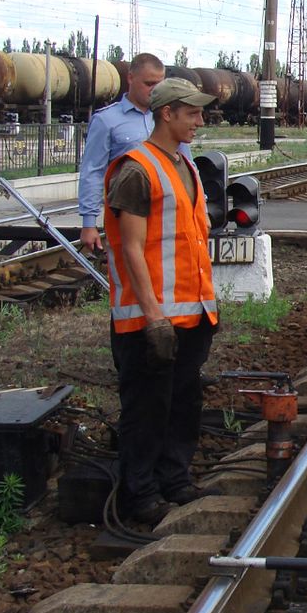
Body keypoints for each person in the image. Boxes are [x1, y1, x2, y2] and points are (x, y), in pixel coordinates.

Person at [104, 78, 219, 525]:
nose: (200, 121)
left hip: (191, 314)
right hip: (149, 320)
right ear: (167, 113)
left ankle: (174, 479)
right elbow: (130, 248)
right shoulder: (137, 168)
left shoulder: (183, 166)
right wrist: (153, 316)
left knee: (182, 403)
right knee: (147, 409)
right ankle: (141, 494)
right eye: (192, 113)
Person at [78, 53, 184, 251]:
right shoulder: (107, 121)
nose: (154, 90)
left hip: (168, 214)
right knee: (129, 272)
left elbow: (187, 165)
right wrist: (89, 223)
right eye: (149, 83)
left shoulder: (169, 117)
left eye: (159, 84)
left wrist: (201, 208)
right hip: (127, 214)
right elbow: (93, 171)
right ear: (130, 78)